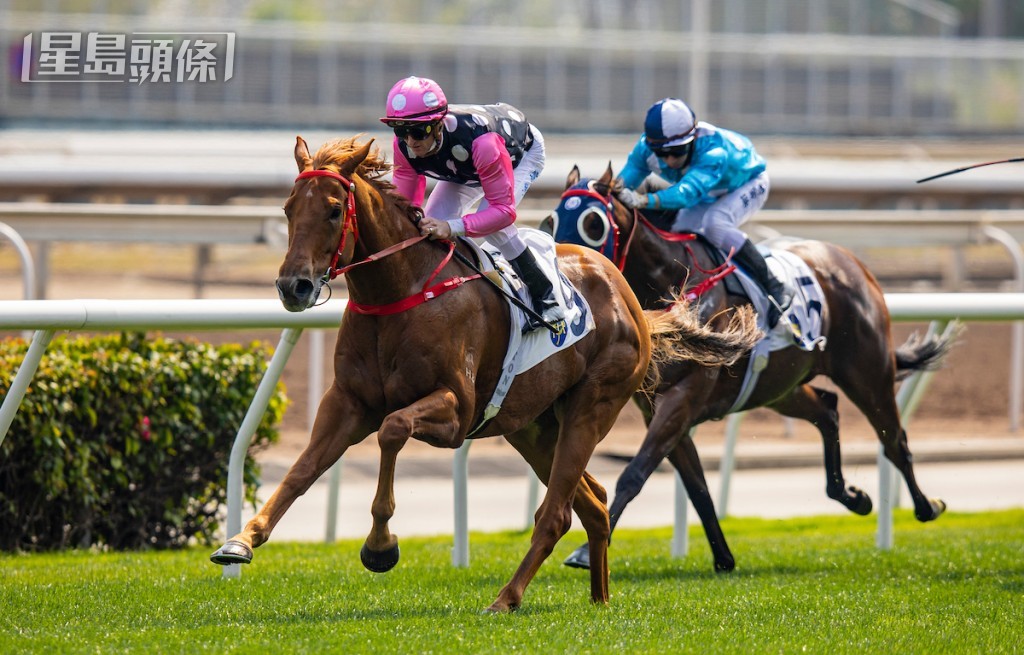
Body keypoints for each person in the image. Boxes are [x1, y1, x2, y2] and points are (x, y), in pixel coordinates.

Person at [379, 75, 564, 331]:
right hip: (464, 166)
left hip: (515, 156)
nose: (410, 141)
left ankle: (546, 297)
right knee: (429, 225)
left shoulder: (482, 143)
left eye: (418, 131)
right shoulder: (405, 146)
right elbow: (405, 207)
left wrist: (453, 226)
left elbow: (503, 213)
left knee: (494, 226)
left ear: (438, 124)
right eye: (401, 130)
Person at [615, 97, 793, 326]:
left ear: (692, 138)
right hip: (709, 192)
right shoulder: (644, 149)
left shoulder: (713, 152)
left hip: (747, 183)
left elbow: (686, 194)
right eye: (661, 153)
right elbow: (621, 183)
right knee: (678, 232)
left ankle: (773, 285)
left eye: (676, 151)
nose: (669, 160)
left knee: (715, 224)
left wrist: (643, 200)